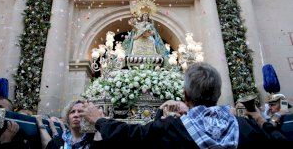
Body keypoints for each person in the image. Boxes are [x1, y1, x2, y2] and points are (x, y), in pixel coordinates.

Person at [81, 63, 240, 149]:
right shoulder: (247, 127)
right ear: (218, 93)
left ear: (185, 94)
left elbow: (133, 135)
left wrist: (99, 120)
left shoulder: (170, 129)